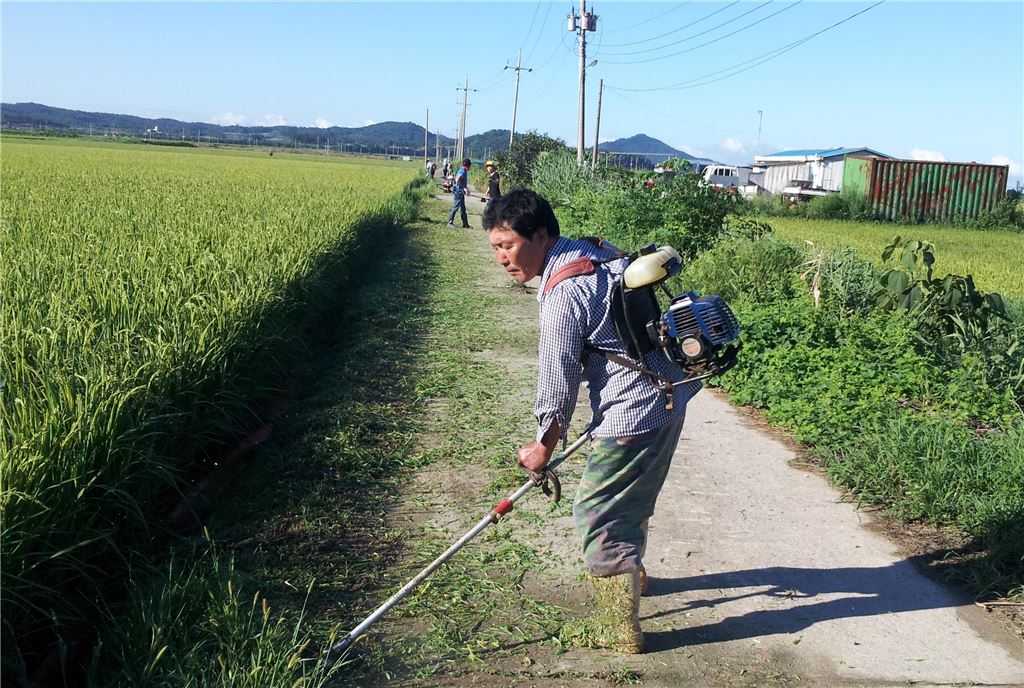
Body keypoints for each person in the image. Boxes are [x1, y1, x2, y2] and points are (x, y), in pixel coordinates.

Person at [482, 189, 700, 654]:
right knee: (631, 496)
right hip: (670, 393)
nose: (501, 257)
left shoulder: (564, 292)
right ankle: (632, 576)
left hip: (635, 410)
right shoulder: (595, 251)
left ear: (541, 236)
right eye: (495, 247)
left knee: (598, 511)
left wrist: (542, 446)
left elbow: (557, 379)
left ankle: (620, 629)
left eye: (508, 245)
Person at [447, 158, 472, 228]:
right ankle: (449, 223)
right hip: (458, 192)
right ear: (468, 166)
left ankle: (465, 224)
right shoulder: (463, 171)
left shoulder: (463, 170)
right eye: (470, 166)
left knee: (463, 209)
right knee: (455, 207)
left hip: (461, 192)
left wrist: (466, 189)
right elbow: (457, 180)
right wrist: (464, 188)